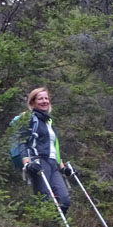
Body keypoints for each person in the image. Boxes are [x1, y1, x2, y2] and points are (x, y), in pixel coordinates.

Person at [18, 87, 72, 215]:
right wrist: (27, 163)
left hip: (53, 164)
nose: (44, 101)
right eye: (40, 98)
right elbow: (22, 142)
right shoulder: (30, 119)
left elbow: (54, 147)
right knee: (45, 200)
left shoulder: (49, 122)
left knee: (64, 200)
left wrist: (63, 167)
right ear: (33, 102)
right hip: (39, 163)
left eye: (46, 98)